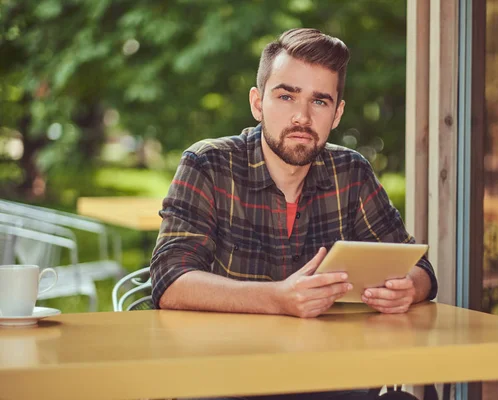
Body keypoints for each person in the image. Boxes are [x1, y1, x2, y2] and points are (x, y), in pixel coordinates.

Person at [150, 28, 437, 400]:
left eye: (319, 102)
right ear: (257, 103)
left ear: (337, 114)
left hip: (332, 380)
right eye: (286, 96)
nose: (301, 116)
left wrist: (407, 289)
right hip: (227, 380)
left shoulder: (350, 171)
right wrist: (277, 299)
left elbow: (421, 269)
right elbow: (170, 280)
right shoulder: (208, 163)